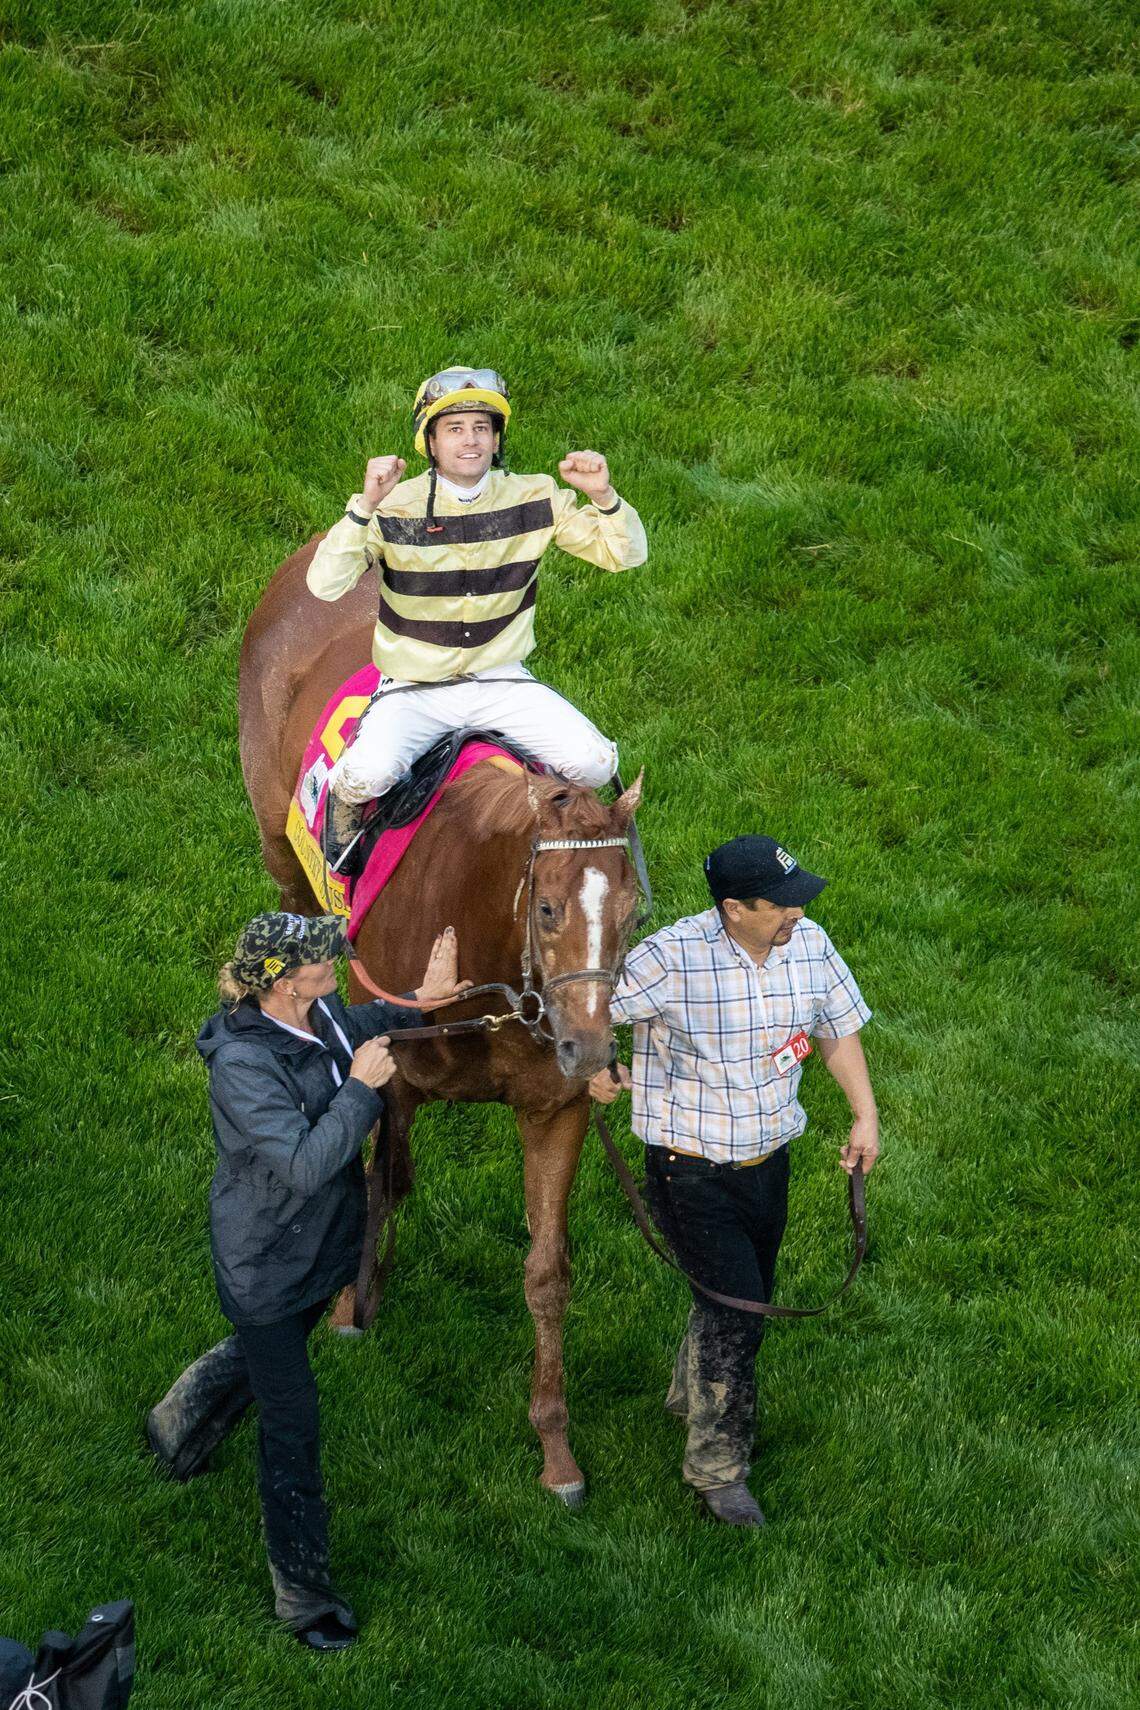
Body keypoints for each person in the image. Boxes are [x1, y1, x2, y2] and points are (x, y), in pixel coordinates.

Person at [147, 912, 470, 1650]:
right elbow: (302, 1164)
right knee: (291, 1424)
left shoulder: (315, 1013)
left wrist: (422, 1002)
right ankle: (304, 1597)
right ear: (286, 982)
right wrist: (359, 1091)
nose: (340, 962)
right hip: (265, 1264)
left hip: (321, 1251)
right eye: (325, 959)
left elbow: (358, 1024)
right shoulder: (243, 1064)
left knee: (267, 1357)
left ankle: (174, 1427)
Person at [590, 835, 879, 1528]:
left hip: (769, 1162)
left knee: (741, 1295)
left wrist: (865, 1114)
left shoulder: (809, 946)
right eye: (781, 904)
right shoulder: (669, 958)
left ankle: (691, 1395)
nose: (797, 914)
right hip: (687, 1168)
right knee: (739, 1311)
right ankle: (718, 1470)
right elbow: (577, 1010)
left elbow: (837, 1028)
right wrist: (595, 1065)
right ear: (733, 908)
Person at [305, 366, 648, 865]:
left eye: (481, 428)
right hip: (415, 687)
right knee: (369, 774)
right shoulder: (391, 506)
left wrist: (603, 496)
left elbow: (623, 555)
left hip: (500, 680)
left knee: (596, 764)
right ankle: (339, 803)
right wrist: (365, 506)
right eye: (455, 429)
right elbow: (325, 584)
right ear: (431, 441)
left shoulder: (537, 495)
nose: (470, 440)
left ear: (496, 439)